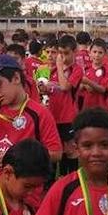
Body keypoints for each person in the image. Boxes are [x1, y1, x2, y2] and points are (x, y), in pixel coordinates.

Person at [0, 54, 63, 202]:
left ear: (17, 78)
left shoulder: (40, 114)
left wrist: (19, 157)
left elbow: (56, 153)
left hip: (25, 198)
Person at [39, 35, 83, 176]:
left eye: (66, 53)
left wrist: (58, 66)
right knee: (54, 148)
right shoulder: (54, 71)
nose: (63, 57)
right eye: (61, 53)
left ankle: (73, 178)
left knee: (70, 150)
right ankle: (57, 179)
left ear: (74, 51)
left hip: (68, 116)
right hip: (53, 115)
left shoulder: (76, 70)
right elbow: (55, 90)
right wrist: (45, 89)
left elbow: (64, 87)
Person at [80, 38, 108, 116]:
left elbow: (103, 89)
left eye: (100, 52)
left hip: (102, 109)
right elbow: (78, 88)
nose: (97, 55)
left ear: (105, 54)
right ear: (90, 53)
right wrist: (84, 85)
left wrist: (88, 82)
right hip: (87, 108)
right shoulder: (85, 68)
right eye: (94, 52)